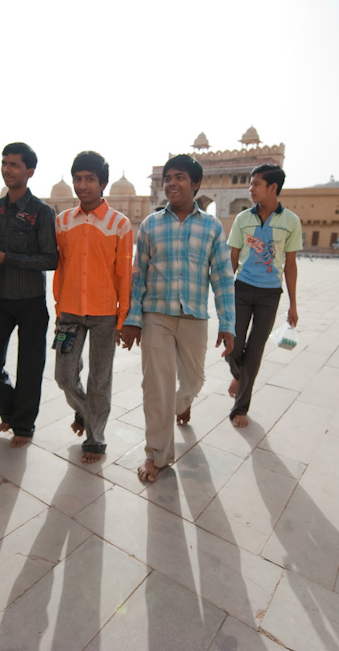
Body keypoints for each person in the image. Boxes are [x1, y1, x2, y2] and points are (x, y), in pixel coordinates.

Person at [121, 154, 235, 482]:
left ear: (196, 184)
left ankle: (180, 403)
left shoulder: (211, 226)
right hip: (156, 314)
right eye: (167, 177)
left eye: (180, 177)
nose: (172, 183)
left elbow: (223, 278)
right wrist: (132, 318)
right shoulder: (152, 224)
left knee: (195, 381)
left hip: (195, 316)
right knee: (156, 386)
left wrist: (227, 324)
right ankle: (156, 455)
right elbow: (138, 275)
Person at [0, 142, 58, 448]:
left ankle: (23, 425)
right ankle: (9, 410)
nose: (7, 169)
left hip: (31, 302)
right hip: (1, 299)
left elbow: (51, 259)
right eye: (4, 163)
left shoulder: (41, 212)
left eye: (14, 165)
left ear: (29, 171)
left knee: (30, 367)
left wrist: (6, 258)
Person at [53, 151, 133, 464]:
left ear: (102, 183)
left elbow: (123, 275)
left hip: (103, 315)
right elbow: (61, 268)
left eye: (89, 179)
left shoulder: (120, 224)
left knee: (100, 380)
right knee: (64, 376)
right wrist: (58, 311)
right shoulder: (62, 222)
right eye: (78, 178)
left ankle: (95, 438)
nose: (82, 185)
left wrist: (122, 317)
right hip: (70, 312)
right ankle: (86, 413)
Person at [226, 164, 302, 428]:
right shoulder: (242, 219)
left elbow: (290, 264)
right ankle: (240, 375)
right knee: (232, 345)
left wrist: (293, 305)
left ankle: (240, 408)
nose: (251, 189)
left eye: (256, 184)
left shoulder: (291, 221)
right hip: (242, 289)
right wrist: (225, 295)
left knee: (255, 351)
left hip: (270, 294)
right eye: (250, 183)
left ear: (273, 187)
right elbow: (233, 258)